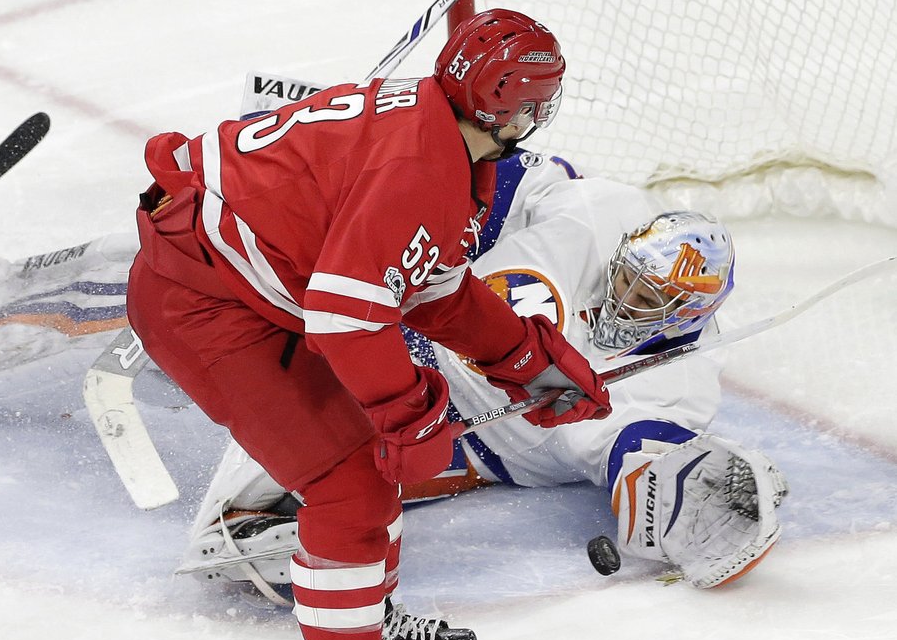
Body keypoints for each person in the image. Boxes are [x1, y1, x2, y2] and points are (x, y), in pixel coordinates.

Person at [123, 9, 610, 640]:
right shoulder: (423, 168)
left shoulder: (435, 129)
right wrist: (411, 411)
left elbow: (431, 292)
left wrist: (528, 360)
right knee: (350, 485)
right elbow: (348, 314)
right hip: (204, 306)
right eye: (532, 103)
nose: (535, 117)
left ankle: (365, 624)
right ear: (512, 107)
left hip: (241, 286)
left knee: (364, 481)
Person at [180, 148, 789, 610]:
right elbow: (516, 202)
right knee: (310, 268)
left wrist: (705, 493)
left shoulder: (677, 391)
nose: (623, 296)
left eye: (647, 296)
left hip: (471, 439)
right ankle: (201, 266)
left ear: (688, 315)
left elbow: (646, 470)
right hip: (430, 311)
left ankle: (245, 513)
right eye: (626, 276)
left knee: (334, 431)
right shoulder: (602, 216)